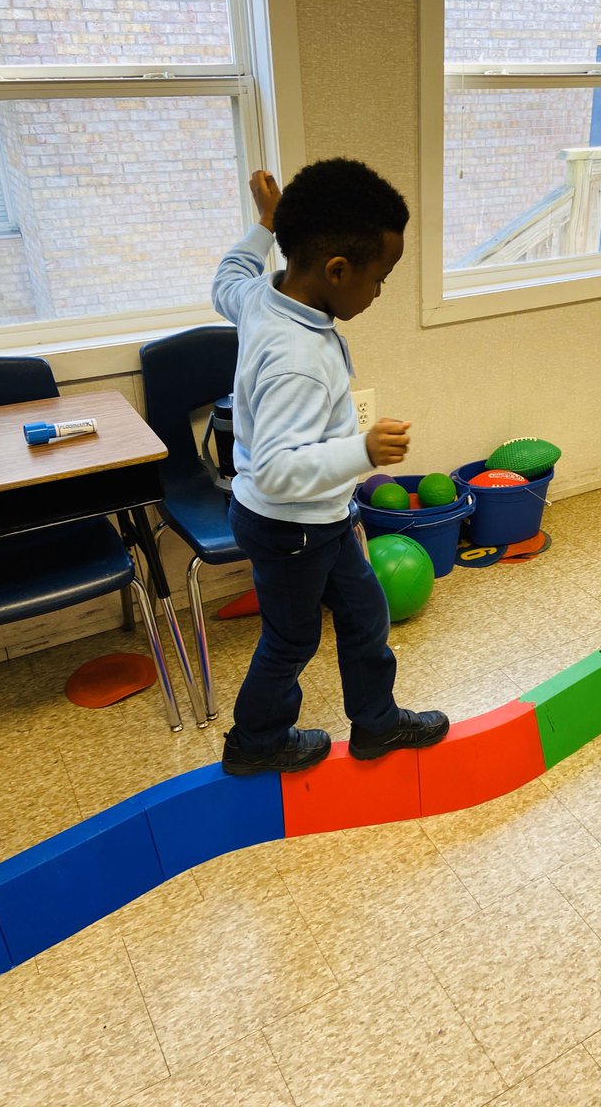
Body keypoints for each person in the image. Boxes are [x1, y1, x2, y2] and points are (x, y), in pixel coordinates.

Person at [212, 157, 449, 775]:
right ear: (337, 270)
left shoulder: (264, 296)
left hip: (321, 517)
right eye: (380, 279)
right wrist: (362, 453)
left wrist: (266, 224)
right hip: (290, 525)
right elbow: (278, 470)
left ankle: (375, 726)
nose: (378, 292)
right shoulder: (296, 355)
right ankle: (255, 743)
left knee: (365, 612)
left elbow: (227, 275)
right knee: (292, 640)